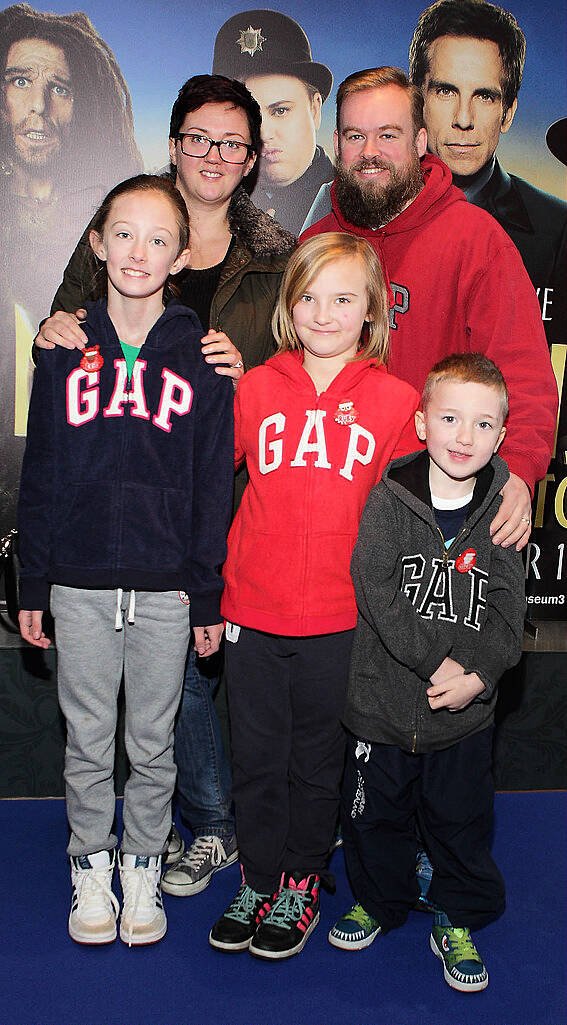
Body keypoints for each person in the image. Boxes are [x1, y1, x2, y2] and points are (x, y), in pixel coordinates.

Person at [34, 74, 296, 900]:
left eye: (232, 142)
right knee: (117, 719)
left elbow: (303, 360)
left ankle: (183, 838)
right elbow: (69, 348)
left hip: (217, 510)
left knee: (177, 696)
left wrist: (243, 373)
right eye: (197, 137)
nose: (213, 154)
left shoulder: (278, 255)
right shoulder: (122, 231)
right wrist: (53, 331)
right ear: (174, 140)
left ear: (251, 158)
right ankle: (142, 847)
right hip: (98, 538)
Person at [17, 174, 234, 946]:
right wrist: (31, 578)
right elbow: (40, 470)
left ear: (180, 255)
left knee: (151, 739)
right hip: (74, 582)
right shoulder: (62, 349)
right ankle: (90, 863)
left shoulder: (206, 360)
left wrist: (207, 595)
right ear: (98, 243)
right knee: (85, 738)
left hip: (167, 588)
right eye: (124, 233)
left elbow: (214, 487)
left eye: (158, 238)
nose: (138, 250)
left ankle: (142, 861)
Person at [208, 232, 421, 960]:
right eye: (308, 297)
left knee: (316, 761)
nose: (323, 313)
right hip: (252, 613)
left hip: (341, 620)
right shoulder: (258, 386)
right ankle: (257, 876)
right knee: (258, 757)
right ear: (286, 305)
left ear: (371, 312)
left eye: (342, 299)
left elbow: (414, 521)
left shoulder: (396, 403)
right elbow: (205, 480)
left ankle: (301, 878)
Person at [330, 353, 525, 993]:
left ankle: (456, 915)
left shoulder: (501, 511)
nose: (464, 437)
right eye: (449, 418)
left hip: (465, 715)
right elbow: (376, 589)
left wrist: (478, 674)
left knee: (460, 821)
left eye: (482, 425)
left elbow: (507, 614)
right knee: (372, 818)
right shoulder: (390, 496)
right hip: (381, 708)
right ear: (421, 423)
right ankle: (381, 903)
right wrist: (432, 659)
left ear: (501, 434)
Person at [300, 67, 557, 552]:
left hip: (437, 510)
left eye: (388, 135)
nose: (369, 151)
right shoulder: (316, 245)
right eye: (356, 136)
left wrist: (520, 472)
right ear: (336, 143)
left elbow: (524, 374)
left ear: (421, 141)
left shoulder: (475, 240)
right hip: (327, 502)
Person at [0, 2, 142, 539]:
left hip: (76, 471)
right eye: (19, 81)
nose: (37, 106)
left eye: (58, 88)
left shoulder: (118, 233)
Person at [408, 0, 567, 349]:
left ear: (508, 113)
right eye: (446, 91)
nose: (463, 119)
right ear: (417, 101)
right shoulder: (356, 206)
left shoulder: (557, 227)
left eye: (484, 97)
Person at [212, 9, 334, 234]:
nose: (263, 133)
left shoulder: (353, 207)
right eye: (247, 115)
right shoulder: (205, 204)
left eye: (280, 111)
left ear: (315, 110)